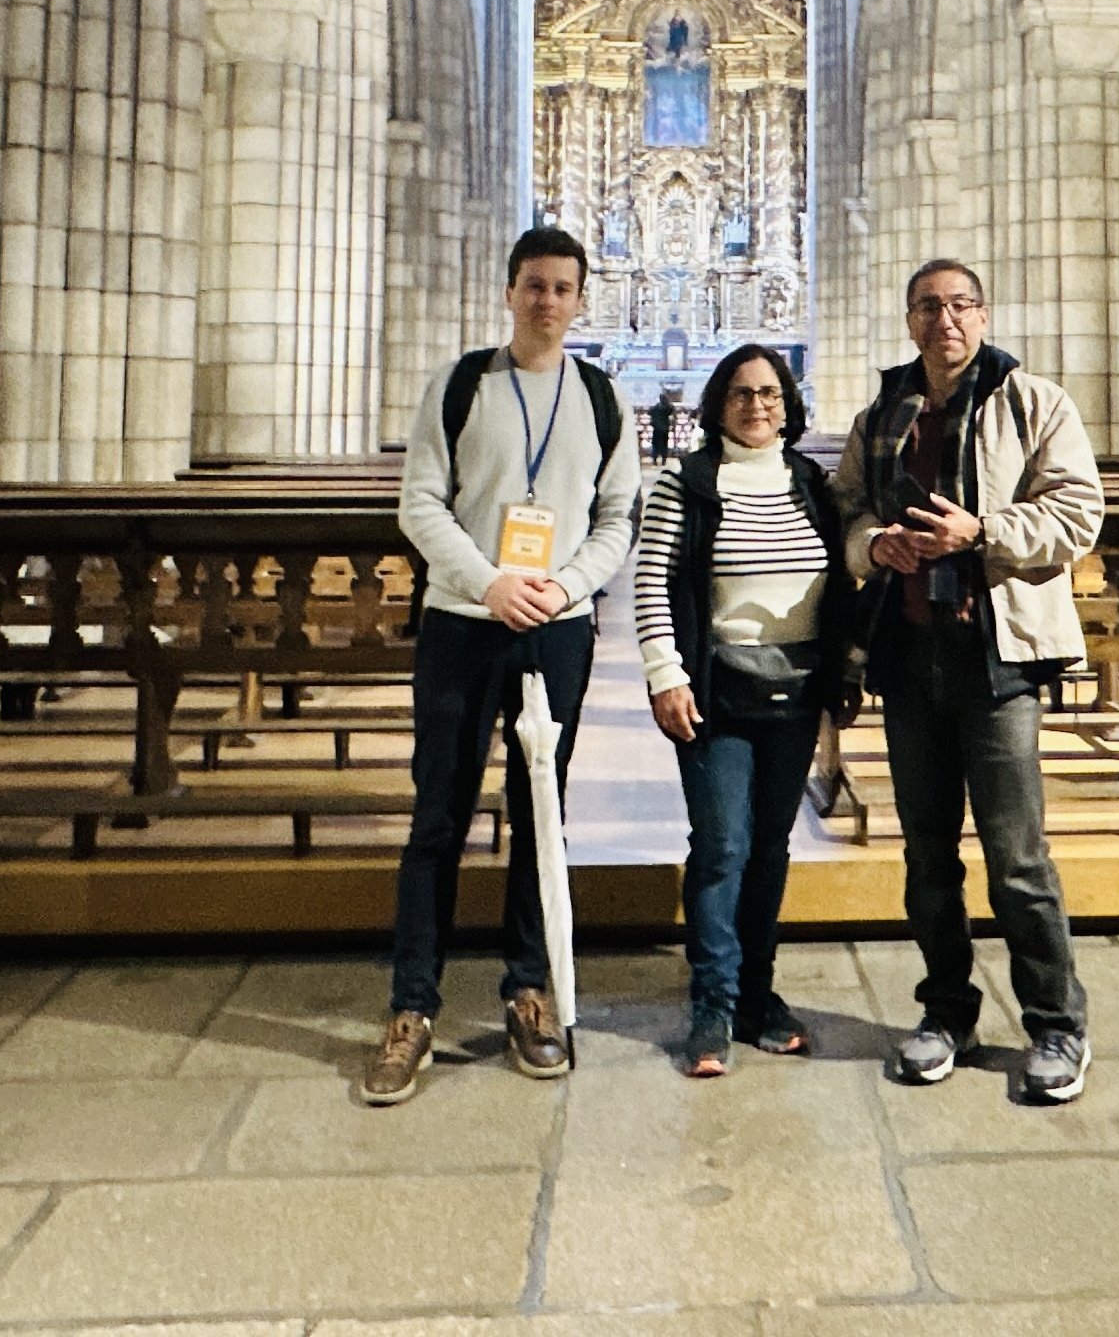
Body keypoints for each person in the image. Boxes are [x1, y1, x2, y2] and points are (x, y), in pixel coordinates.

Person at [365, 225, 642, 1106]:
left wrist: (560, 590)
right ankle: (411, 1007)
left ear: (579, 298)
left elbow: (616, 519)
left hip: (553, 628)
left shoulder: (601, 398)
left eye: (562, 288)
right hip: (461, 621)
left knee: (539, 812)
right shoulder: (460, 386)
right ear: (509, 291)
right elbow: (419, 502)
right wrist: (488, 584)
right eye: (533, 285)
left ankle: (528, 988)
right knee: (437, 815)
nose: (546, 301)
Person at [837, 256, 1103, 1103]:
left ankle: (1057, 1026)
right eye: (927, 307)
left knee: (1016, 855)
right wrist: (875, 545)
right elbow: (844, 506)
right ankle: (945, 1012)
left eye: (959, 305)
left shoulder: (1034, 401)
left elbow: (1077, 513)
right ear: (909, 321)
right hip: (910, 655)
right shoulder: (884, 411)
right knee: (925, 857)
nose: (943, 320)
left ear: (982, 316)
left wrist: (978, 530)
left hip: (997, 656)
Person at [633, 340, 856, 1077]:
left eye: (768, 393)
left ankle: (758, 993)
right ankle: (714, 1002)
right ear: (716, 404)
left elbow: (841, 579)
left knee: (769, 846)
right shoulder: (684, 482)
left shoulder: (808, 484)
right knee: (722, 843)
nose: (756, 406)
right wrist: (666, 673)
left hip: (793, 690)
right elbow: (653, 584)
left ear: (787, 403)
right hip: (715, 686)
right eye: (740, 393)